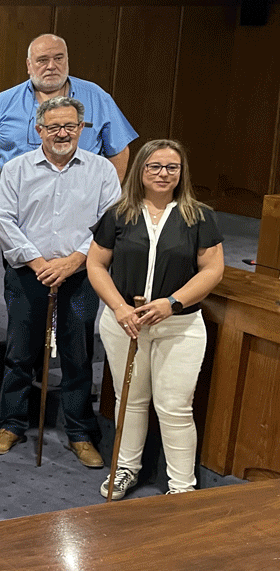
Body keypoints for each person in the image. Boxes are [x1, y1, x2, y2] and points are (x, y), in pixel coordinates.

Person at [0, 96, 121, 468]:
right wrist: (39, 262)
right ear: (38, 130)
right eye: (53, 127)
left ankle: (79, 431)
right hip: (28, 274)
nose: (62, 133)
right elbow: (6, 221)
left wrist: (74, 260)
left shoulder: (102, 172)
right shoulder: (16, 169)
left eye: (70, 126)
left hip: (81, 277)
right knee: (21, 348)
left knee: (77, 350)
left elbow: (108, 224)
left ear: (81, 129)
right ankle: (12, 423)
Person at [88, 139, 224, 498]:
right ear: (141, 171)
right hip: (125, 324)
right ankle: (125, 469)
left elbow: (212, 271)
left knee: (175, 406)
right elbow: (96, 264)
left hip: (178, 327)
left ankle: (182, 486)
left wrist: (172, 303)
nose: (163, 174)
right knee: (129, 399)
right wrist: (119, 307)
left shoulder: (199, 215)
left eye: (171, 167)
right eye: (155, 166)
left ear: (181, 173)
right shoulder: (119, 213)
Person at [0, 34, 137, 211]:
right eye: (42, 60)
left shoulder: (97, 97)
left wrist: (108, 195)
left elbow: (119, 149)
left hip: (82, 202)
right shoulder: (5, 101)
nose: (51, 66)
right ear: (29, 65)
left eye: (58, 58)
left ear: (67, 60)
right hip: (19, 202)